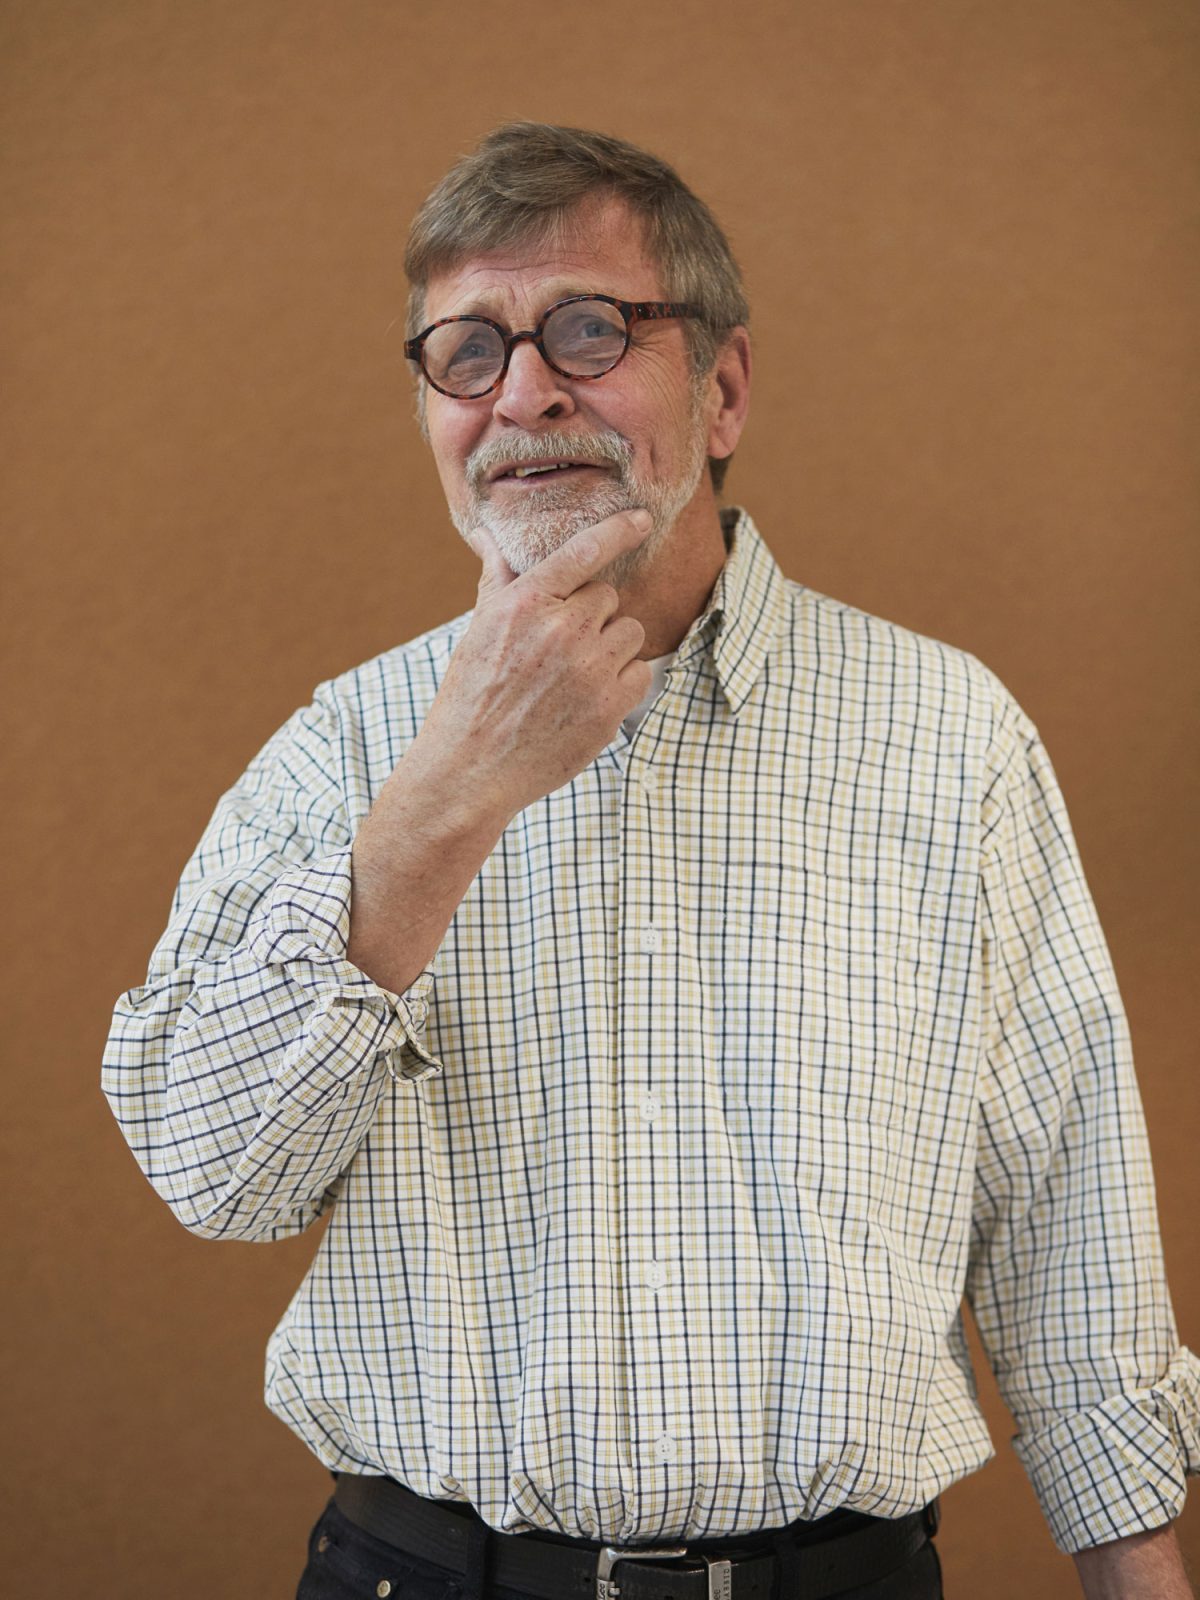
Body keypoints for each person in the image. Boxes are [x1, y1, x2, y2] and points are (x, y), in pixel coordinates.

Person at [102, 122, 1198, 1600]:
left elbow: (1071, 1235)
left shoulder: (952, 739)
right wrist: (445, 798)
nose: (526, 392)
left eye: (589, 330)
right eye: (466, 352)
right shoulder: (345, 753)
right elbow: (210, 1172)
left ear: (723, 388)